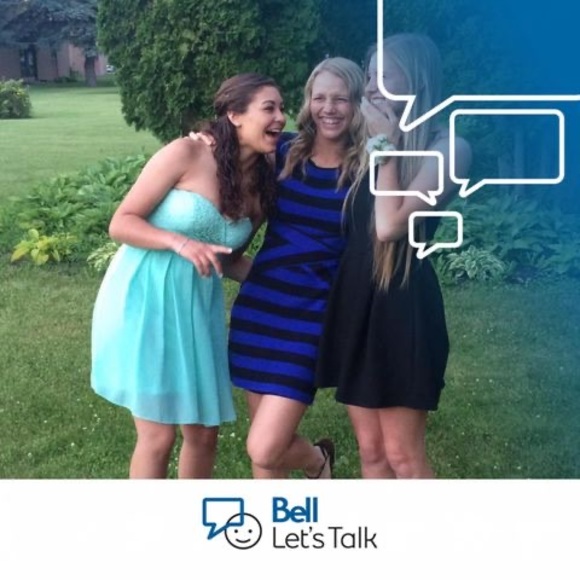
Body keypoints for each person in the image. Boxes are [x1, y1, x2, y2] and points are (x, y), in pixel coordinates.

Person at [90, 73, 286, 479]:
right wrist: (178, 242)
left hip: (197, 310)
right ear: (234, 114)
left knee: (203, 434)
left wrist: (284, 286)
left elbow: (228, 260)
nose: (281, 117)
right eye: (269, 108)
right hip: (145, 297)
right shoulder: (186, 153)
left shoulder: (261, 187)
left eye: (282, 108)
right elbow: (122, 222)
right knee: (158, 435)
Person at [315, 34, 472, 478]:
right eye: (369, 76)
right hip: (357, 301)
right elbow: (304, 141)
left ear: (416, 80)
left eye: (384, 76)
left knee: (403, 455)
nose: (371, 87)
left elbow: (389, 225)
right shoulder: (365, 143)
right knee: (372, 453)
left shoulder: (449, 148)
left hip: (403, 304)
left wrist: (385, 148)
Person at [227, 57, 368, 479]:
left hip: (313, 319)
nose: (329, 108)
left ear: (357, 103)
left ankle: (317, 460)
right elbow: (229, 153)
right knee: (264, 453)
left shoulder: (366, 168)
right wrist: (204, 140)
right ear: (309, 101)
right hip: (260, 310)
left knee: (265, 447)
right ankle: (275, 519)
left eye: (341, 99)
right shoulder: (284, 153)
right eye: (320, 97)